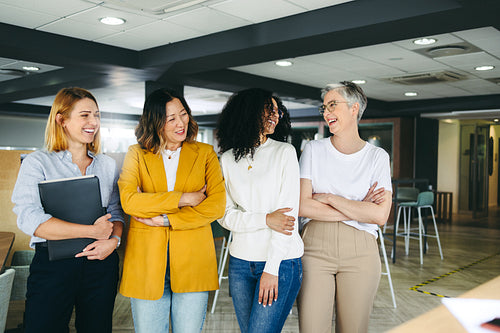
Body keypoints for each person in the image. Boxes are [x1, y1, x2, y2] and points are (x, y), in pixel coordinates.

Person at [11, 87, 125, 333]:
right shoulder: (37, 162)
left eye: (97, 115)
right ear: (61, 120)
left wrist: (113, 240)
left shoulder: (106, 164)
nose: (93, 122)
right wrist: (92, 231)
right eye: (85, 115)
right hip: (53, 265)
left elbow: (116, 213)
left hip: (100, 263)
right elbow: (31, 219)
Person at [117, 88, 226, 333]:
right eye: (171, 118)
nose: (181, 123)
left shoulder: (205, 154)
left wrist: (167, 220)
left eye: (184, 114)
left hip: (193, 260)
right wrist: (184, 199)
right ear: (155, 123)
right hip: (146, 262)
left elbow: (216, 205)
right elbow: (130, 201)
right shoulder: (136, 154)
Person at [297, 81, 392, 333]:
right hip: (314, 248)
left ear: (354, 108)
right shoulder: (313, 150)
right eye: (324, 107)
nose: (327, 112)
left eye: (332, 105)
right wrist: (359, 208)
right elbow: (302, 206)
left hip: (361, 252)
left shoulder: (377, 157)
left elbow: (380, 215)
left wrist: (329, 197)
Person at [216, 88, 304, 333]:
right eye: (269, 110)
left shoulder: (284, 153)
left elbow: (286, 220)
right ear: (249, 112)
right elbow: (224, 215)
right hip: (240, 262)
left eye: (277, 111)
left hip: (281, 262)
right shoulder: (227, 159)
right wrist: (266, 219)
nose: (275, 115)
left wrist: (271, 269)